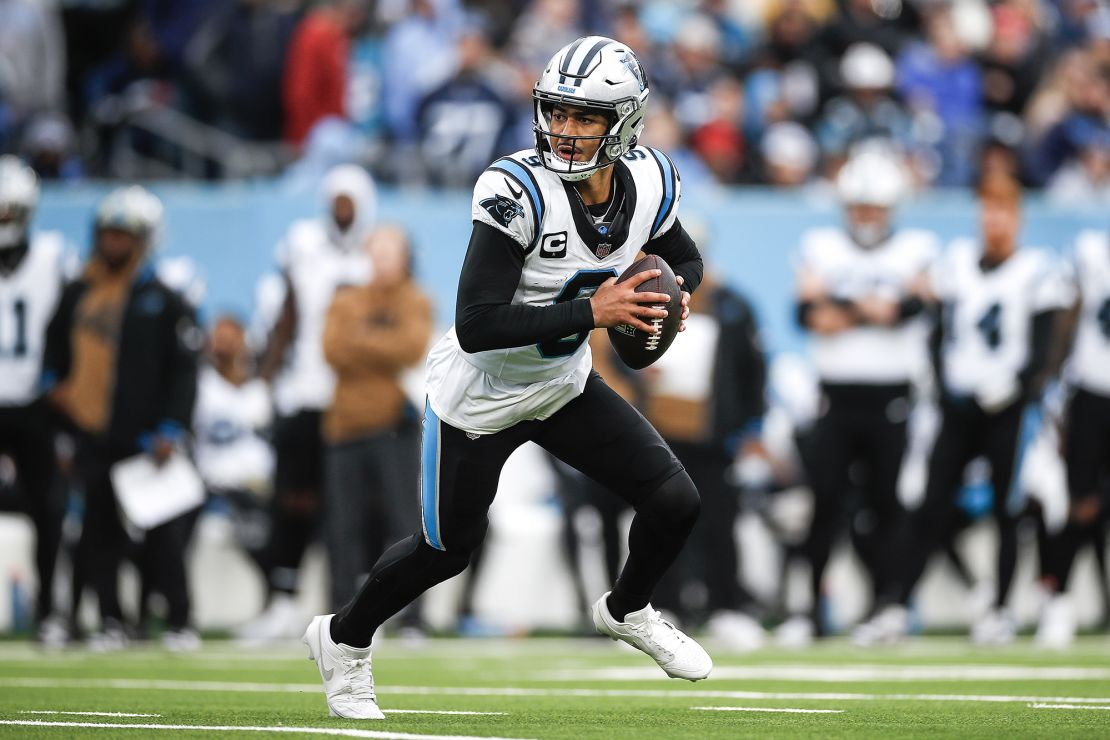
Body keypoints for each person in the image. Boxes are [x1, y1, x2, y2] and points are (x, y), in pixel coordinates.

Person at [303, 36, 711, 720]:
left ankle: (628, 608)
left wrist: (673, 296)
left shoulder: (651, 181)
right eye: (558, 113)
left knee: (676, 501)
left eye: (586, 117)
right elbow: (477, 322)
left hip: (558, 385)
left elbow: (684, 261)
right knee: (445, 551)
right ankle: (343, 639)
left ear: (626, 121)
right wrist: (597, 309)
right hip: (479, 396)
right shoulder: (515, 188)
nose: (567, 130)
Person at [860, 173, 1071, 646]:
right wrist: (942, 384)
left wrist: (1016, 387)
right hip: (956, 405)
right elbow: (936, 332)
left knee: (1009, 508)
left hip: (1008, 408)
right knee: (929, 506)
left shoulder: (1038, 270)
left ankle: (998, 609)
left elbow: (1045, 348)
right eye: (987, 210)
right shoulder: (954, 263)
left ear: (1017, 218)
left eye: (1003, 211)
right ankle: (896, 606)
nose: (993, 220)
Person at [781, 149, 939, 646]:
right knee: (825, 503)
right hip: (836, 394)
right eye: (860, 207)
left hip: (893, 394)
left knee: (885, 506)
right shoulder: (820, 244)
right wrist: (873, 309)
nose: (867, 216)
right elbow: (810, 315)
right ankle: (810, 611)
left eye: (875, 207)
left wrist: (845, 306)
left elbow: (914, 307)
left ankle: (887, 606)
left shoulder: (917, 247)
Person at [42, 185, 200, 650]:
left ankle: (178, 619)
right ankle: (111, 618)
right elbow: (54, 356)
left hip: (149, 436)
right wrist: (60, 406)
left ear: (144, 239)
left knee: (163, 536)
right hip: (91, 430)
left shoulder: (164, 300)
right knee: (97, 534)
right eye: (107, 234)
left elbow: (183, 373)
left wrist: (172, 426)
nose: (112, 244)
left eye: (123, 236)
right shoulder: (78, 292)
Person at [238, 164, 376, 643]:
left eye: (350, 202)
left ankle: (356, 608)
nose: (342, 211)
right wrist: (263, 382)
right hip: (305, 392)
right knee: (292, 503)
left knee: (353, 507)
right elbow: (286, 317)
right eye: (336, 200)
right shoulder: (302, 244)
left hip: (355, 401)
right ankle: (282, 601)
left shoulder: (379, 252)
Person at [321, 224, 432, 617]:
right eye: (378, 251)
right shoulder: (346, 298)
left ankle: (412, 616)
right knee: (341, 526)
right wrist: (383, 347)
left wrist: (360, 339)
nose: (383, 260)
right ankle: (339, 610)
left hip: (393, 428)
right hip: (344, 426)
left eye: (391, 252)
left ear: (405, 258)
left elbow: (412, 348)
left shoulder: (416, 299)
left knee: (405, 522)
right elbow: (332, 349)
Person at [0, 156, 70, 644]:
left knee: (49, 508)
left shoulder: (52, 256)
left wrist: (57, 381)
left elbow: (68, 329)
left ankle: (49, 609)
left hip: (34, 401)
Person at [1036, 226, 1110, 646]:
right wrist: (1053, 388)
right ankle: (1059, 599)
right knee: (1080, 504)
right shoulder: (1091, 251)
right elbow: (1066, 321)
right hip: (1092, 394)